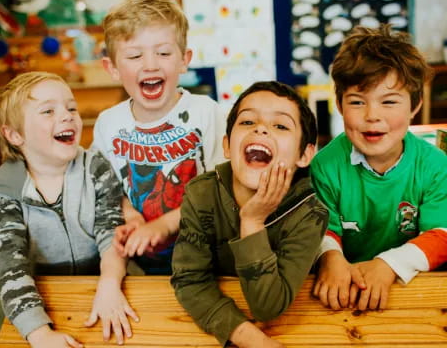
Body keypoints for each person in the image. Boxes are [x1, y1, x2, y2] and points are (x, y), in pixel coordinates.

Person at [0, 72, 138, 347]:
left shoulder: (96, 168)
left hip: (105, 284)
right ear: (14, 135)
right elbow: (8, 268)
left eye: (70, 107)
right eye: (48, 110)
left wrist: (109, 283)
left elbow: (111, 232)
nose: (67, 115)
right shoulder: (4, 192)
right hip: (41, 298)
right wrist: (39, 333)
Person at [171, 81, 328, 347]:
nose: (261, 128)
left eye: (280, 126)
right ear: (227, 145)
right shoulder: (201, 195)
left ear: (304, 154)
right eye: (247, 122)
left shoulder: (310, 214)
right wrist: (246, 336)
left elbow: (267, 307)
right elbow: (189, 280)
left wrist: (252, 221)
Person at [311, 24, 447, 312]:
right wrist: (330, 258)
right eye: (357, 102)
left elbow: (441, 233)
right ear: (339, 104)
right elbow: (322, 229)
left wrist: (388, 265)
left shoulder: (436, 166)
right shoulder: (324, 166)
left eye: (389, 102)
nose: (373, 116)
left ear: (414, 105)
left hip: (412, 294)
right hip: (343, 295)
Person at [93, 0, 226, 274]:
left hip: (209, 257)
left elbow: (223, 187)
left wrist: (165, 225)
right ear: (112, 67)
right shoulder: (107, 124)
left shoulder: (207, 112)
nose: (150, 64)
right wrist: (131, 218)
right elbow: (108, 190)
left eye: (163, 52)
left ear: (184, 59)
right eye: (134, 55)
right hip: (145, 262)